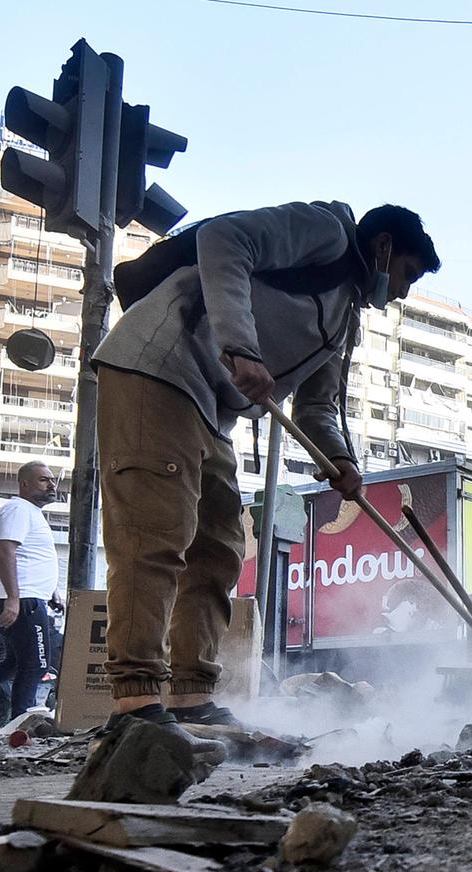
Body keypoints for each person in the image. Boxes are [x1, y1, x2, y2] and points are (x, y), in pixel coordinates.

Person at [73, 202, 438, 803]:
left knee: (217, 548)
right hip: (159, 366)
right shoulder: (325, 230)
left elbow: (318, 406)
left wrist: (341, 462)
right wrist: (242, 347)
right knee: (155, 532)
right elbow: (224, 239)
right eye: (406, 273)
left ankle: (192, 694)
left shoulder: (344, 317)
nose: (400, 292)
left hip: (211, 411)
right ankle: (136, 700)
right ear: (383, 247)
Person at [0, 460, 62, 722]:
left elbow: (31, 555)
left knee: (14, 663)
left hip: (30, 596)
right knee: (35, 665)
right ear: (24, 484)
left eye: (52, 480)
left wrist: (51, 591)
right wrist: (14, 599)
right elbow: (5, 550)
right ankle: (20, 724)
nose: (52, 485)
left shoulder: (29, 512)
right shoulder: (18, 509)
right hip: (24, 600)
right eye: (44, 480)